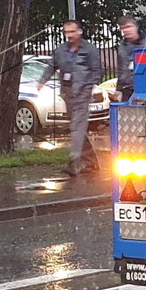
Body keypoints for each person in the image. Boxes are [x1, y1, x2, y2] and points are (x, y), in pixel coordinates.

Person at [52, 20, 101, 175]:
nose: (70, 35)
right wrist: (41, 81)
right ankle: (91, 161)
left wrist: (88, 88)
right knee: (79, 128)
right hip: (68, 95)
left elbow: (97, 71)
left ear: (79, 31)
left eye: (72, 32)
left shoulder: (89, 49)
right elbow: (52, 65)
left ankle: (74, 162)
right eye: (67, 32)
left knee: (76, 128)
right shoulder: (61, 50)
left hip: (83, 95)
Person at [115, 15, 146, 102]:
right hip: (126, 89)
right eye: (123, 28)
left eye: (129, 27)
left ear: (136, 27)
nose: (127, 30)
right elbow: (121, 68)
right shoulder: (122, 46)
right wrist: (118, 89)